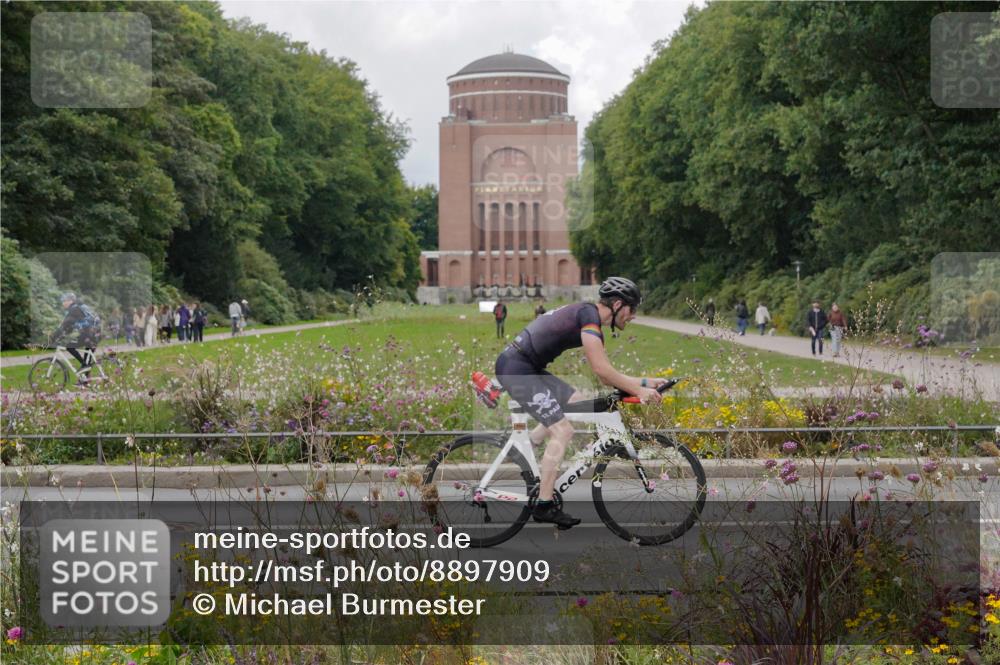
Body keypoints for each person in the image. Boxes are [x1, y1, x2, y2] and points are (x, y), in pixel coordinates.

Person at [495, 277, 667, 529]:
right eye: (633, 309)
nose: (633, 316)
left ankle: (530, 443)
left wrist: (644, 382)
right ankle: (544, 504)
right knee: (563, 430)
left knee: (578, 401)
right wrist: (639, 390)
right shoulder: (589, 316)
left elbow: (608, 373)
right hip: (517, 369)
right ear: (618, 304)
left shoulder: (591, 319)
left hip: (527, 366)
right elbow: (601, 371)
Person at [50, 293, 101, 381]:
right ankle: (85, 382)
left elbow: (64, 326)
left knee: (70, 347)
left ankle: (85, 367)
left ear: (70, 301)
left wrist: (53, 338)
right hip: (92, 334)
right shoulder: (79, 307)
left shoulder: (74, 310)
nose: (63, 303)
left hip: (90, 335)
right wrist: (60, 337)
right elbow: (68, 329)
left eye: (64, 301)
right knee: (85, 361)